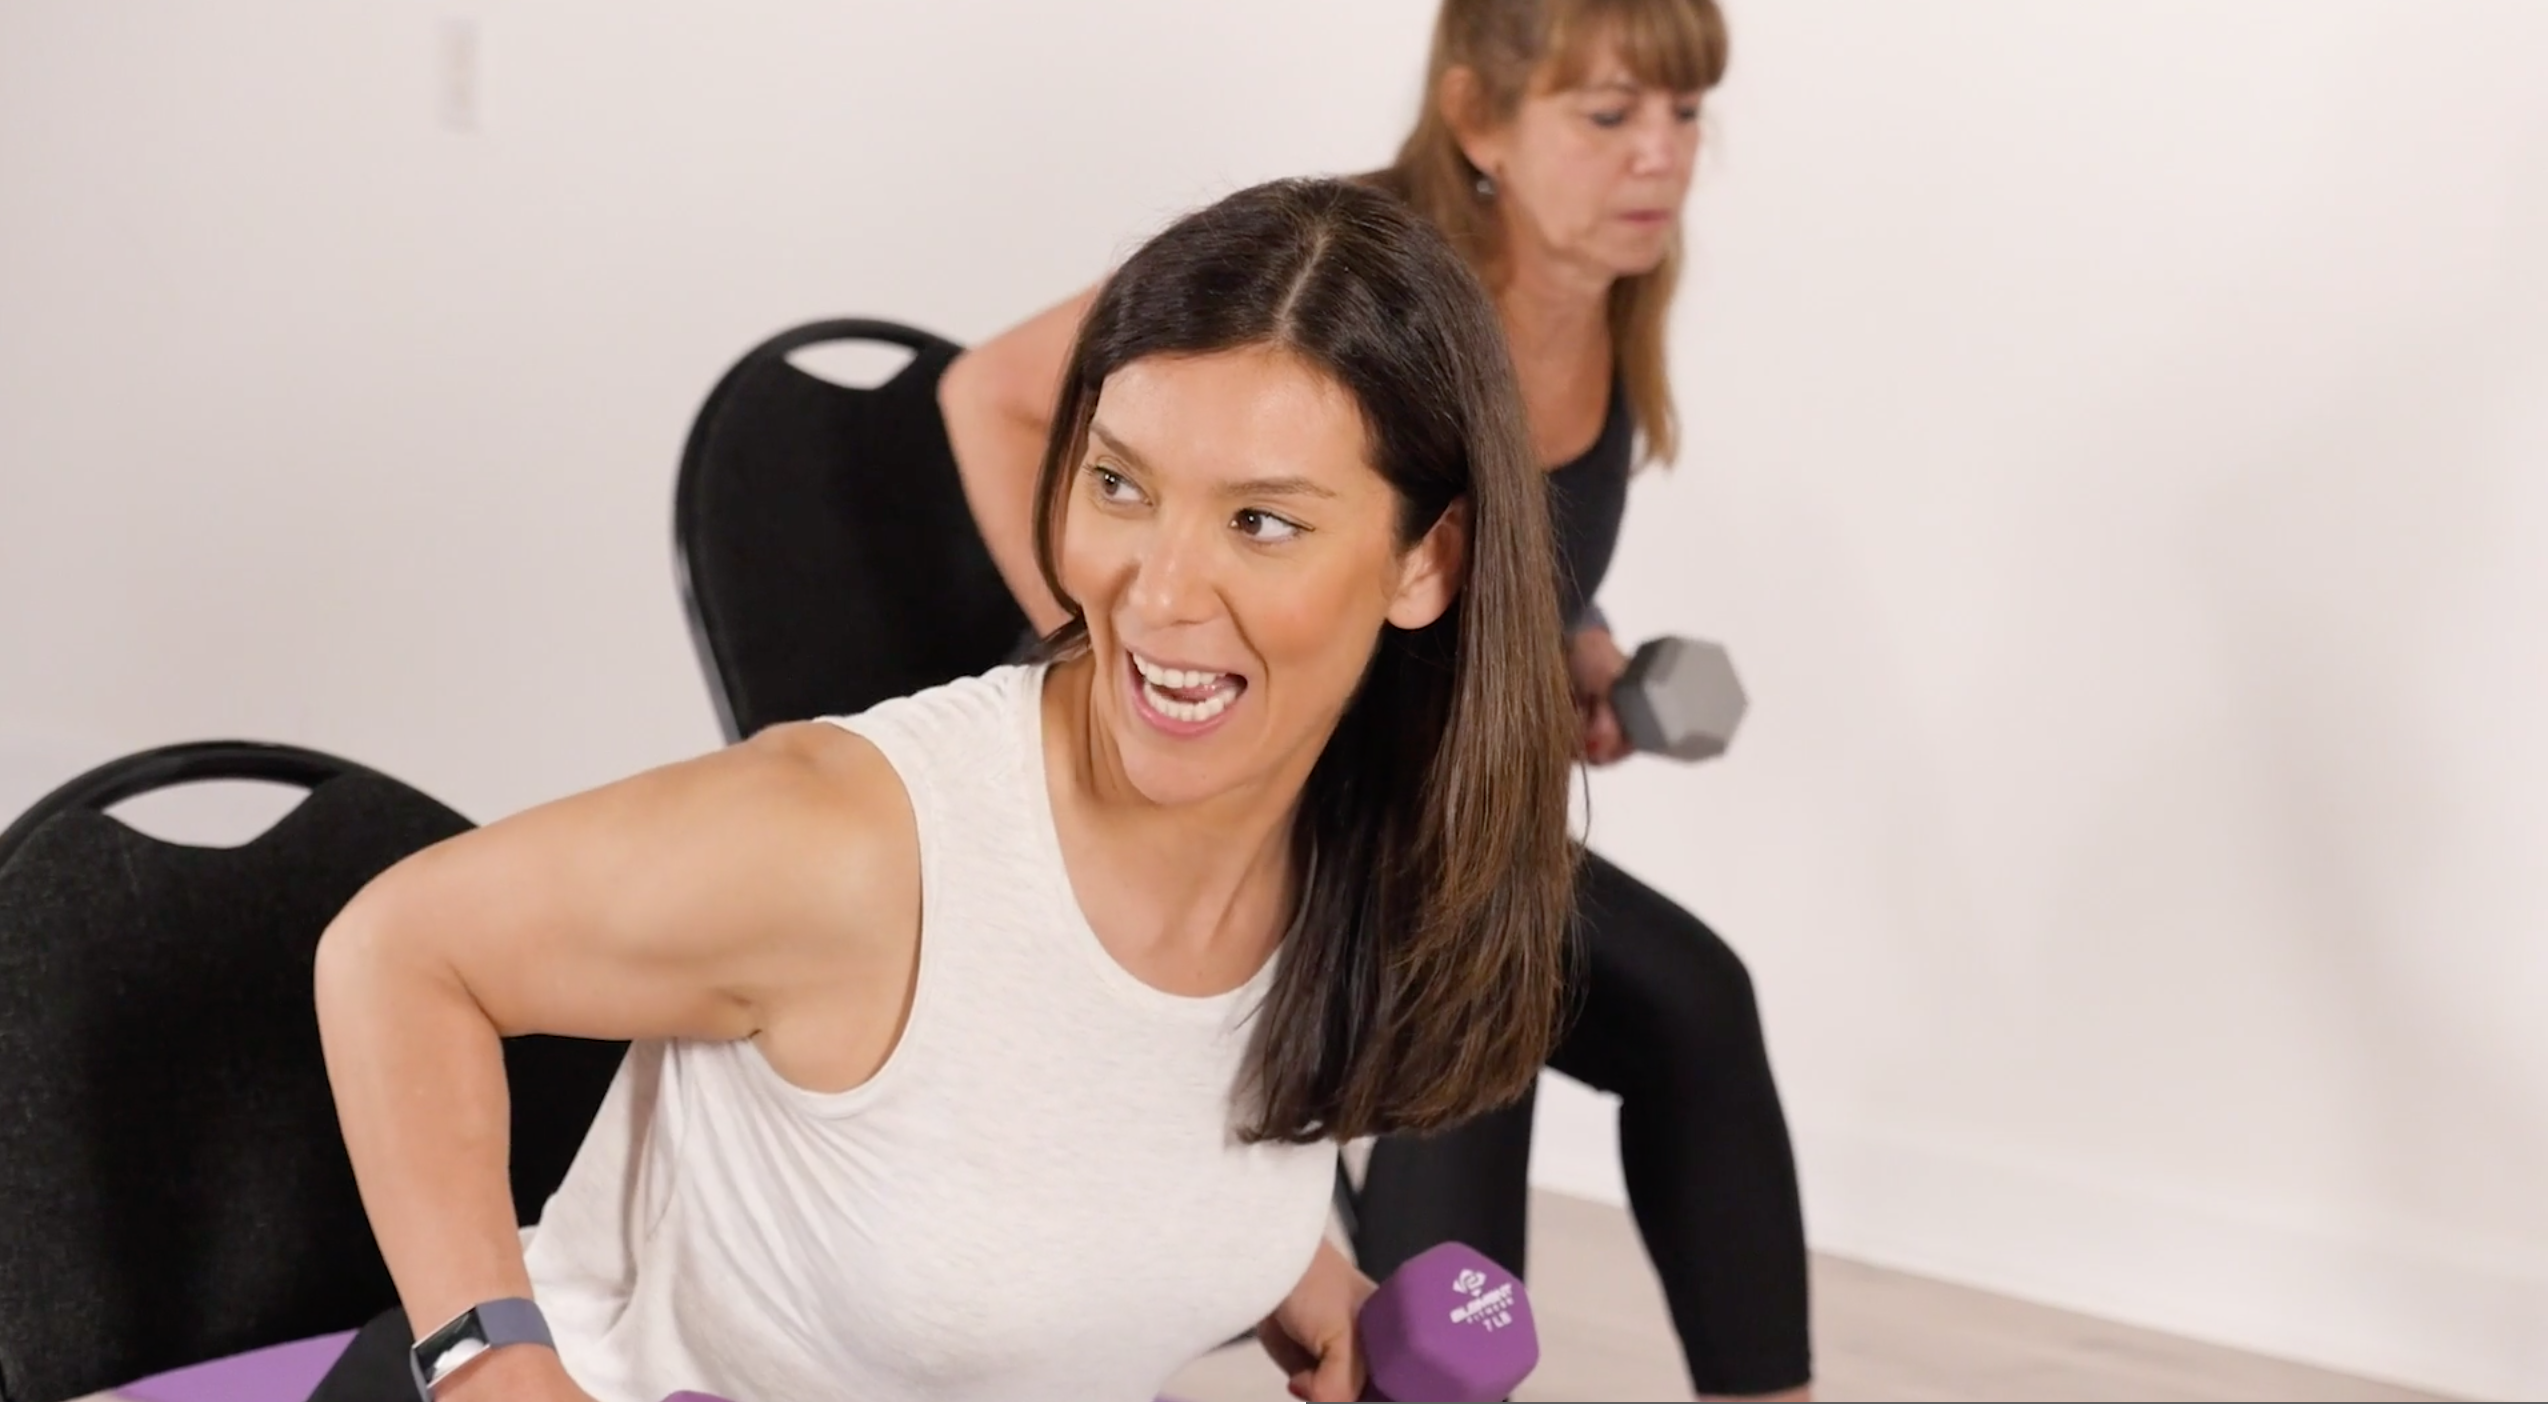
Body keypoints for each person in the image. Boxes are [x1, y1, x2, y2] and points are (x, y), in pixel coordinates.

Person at [310, 177, 1581, 1404]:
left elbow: (1063, 1109)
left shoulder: (1356, 851)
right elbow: (399, 951)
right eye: (1120, 484)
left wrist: (1276, 1266)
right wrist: (491, 1364)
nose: (1158, 592)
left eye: (1260, 522)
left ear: (1426, 563)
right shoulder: (858, 839)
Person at [937, 1, 1812, 1398]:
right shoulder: (1349, 295)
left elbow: (1456, 545)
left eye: (1685, 114)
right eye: (1607, 116)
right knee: (1483, 973)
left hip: (1411, 789)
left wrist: (1571, 648)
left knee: (1696, 1002)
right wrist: (1095, 634)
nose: (1661, 158)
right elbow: (991, 394)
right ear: (1478, 122)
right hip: (1266, 794)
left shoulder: (1605, 308)